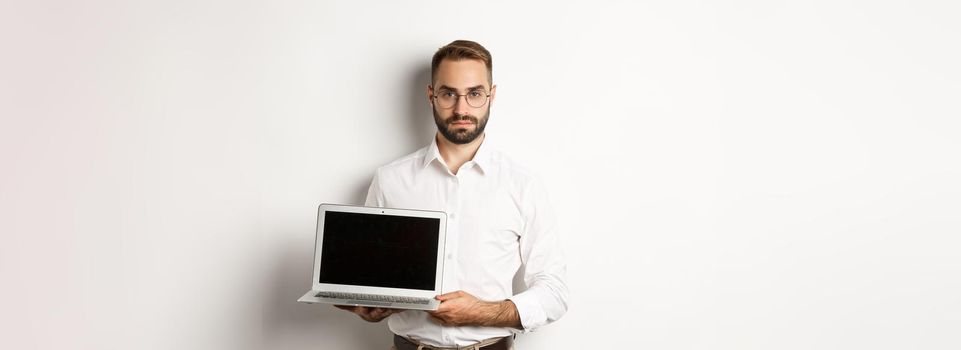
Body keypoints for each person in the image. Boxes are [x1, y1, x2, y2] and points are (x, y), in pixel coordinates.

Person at [336, 40, 569, 350]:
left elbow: (554, 293)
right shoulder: (390, 180)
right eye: (449, 94)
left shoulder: (522, 185)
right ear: (431, 95)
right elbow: (369, 279)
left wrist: (485, 312)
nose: (462, 109)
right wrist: (367, 304)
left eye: (474, 94)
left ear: (491, 96)